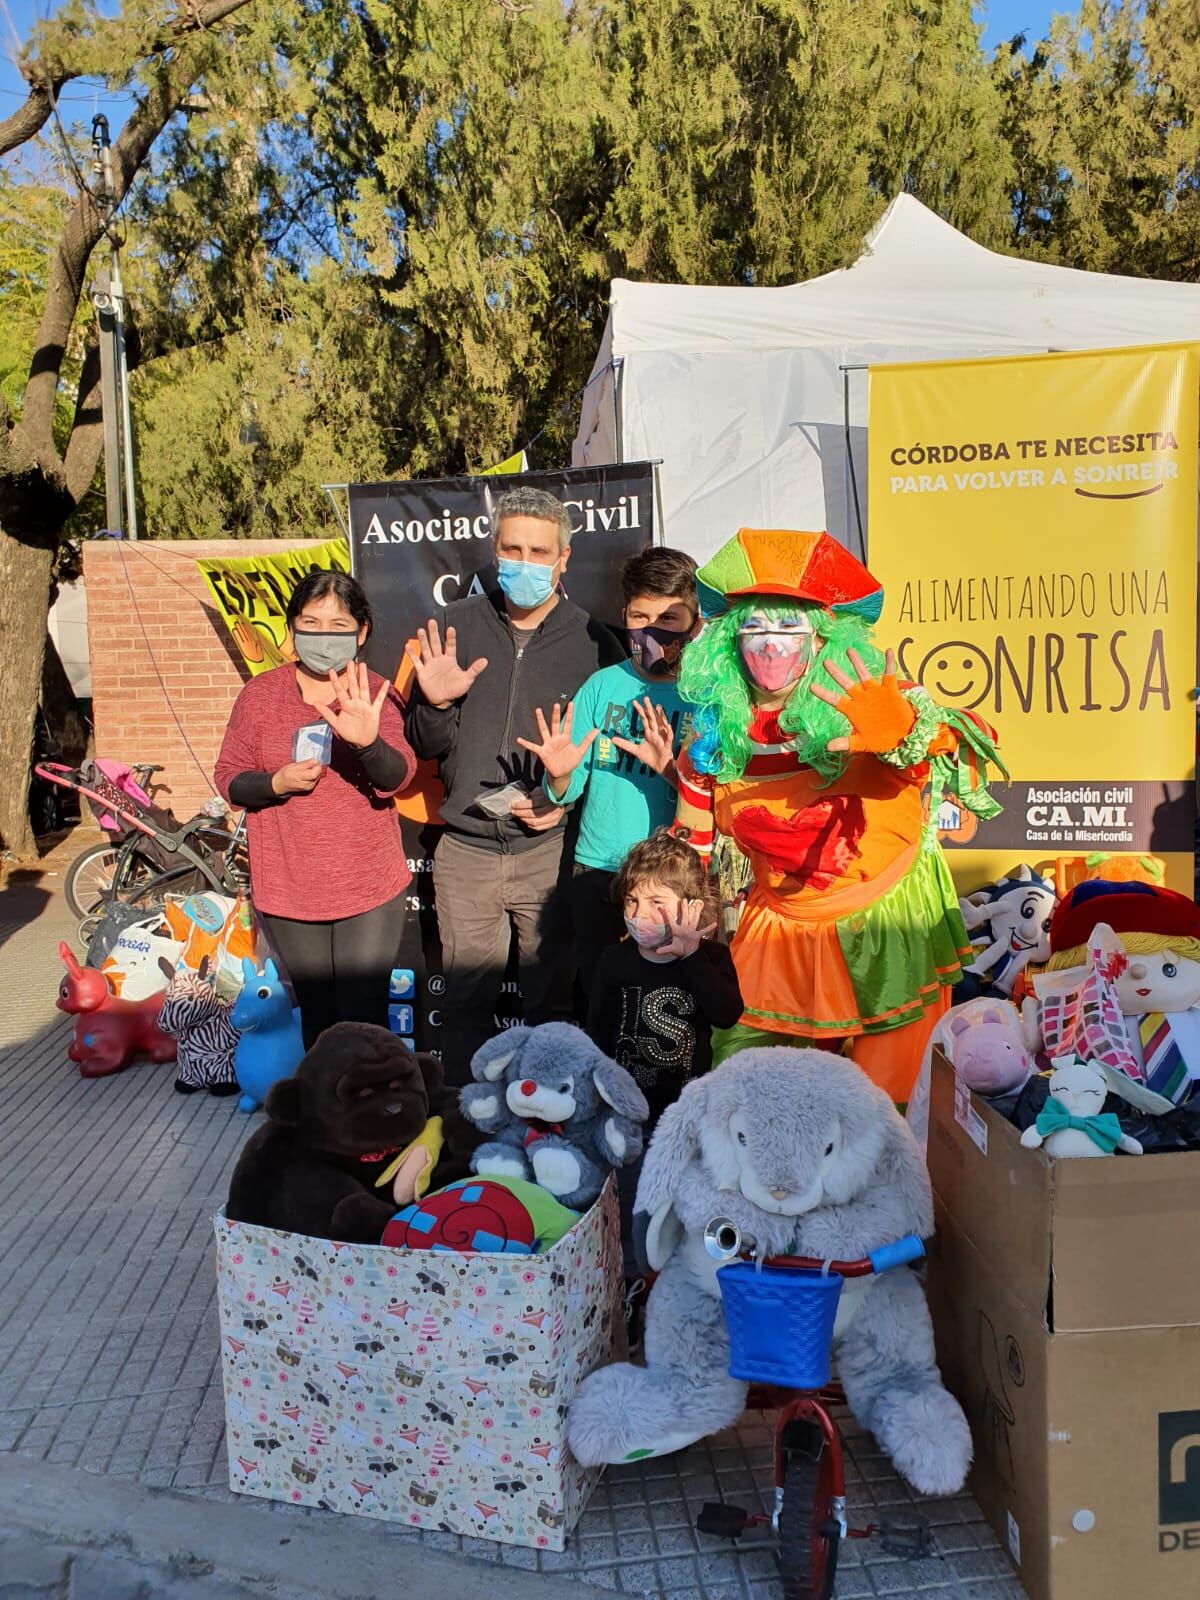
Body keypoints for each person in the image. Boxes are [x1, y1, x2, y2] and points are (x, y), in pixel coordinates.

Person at [671, 528, 1006, 1103]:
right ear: (728, 639)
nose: (770, 646)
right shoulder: (711, 731)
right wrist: (679, 914)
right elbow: (691, 845)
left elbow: (969, 745)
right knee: (748, 1087)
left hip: (884, 921)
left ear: (823, 635)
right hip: (779, 925)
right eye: (755, 626)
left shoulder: (869, 693)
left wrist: (905, 734)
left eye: (788, 626)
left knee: (884, 1103)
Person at [405, 486, 623, 1085]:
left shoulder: (595, 644)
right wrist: (433, 703)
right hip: (465, 853)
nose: (523, 562)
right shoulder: (452, 629)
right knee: (466, 1006)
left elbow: (602, 758)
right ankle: (466, 1132)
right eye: (512, 549)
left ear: (563, 560)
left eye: (538, 551)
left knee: (554, 1008)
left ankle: (555, 1133)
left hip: (547, 855)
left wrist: (563, 803)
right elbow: (423, 745)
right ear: (495, 551)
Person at [214, 570, 415, 1049]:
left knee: (364, 1018)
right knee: (320, 1020)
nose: (324, 636)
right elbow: (229, 777)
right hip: (289, 890)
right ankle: (325, 1119)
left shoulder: (377, 694)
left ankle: (370, 1119)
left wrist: (367, 745)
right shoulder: (260, 696)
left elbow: (398, 776)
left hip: (368, 889)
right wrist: (275, 783)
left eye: (338, 625)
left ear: (362, 632)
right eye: (310, 622)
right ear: (292, 628)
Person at [518, 547, 700, 995]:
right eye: (641, 616)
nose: (653, 629)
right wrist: (559, 776)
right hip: (600, 875)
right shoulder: (602, 686)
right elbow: (566, 790)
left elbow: (719, 803)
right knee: (602, 1001)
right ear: (625, 616)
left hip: (677, 879)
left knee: (671, 1005)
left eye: (669, 618)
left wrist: (669, 771)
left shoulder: (708, 696)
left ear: (696, 622)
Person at [586, 829, 742, 1290]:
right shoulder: (615, 961)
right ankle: (635, 1282)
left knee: (689, 1201)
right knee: (635, 1202)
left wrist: (691, 958)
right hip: (630, 1117)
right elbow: (598, 1034)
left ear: (689, 904)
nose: (639, 914)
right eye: (632, 902)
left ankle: (692, 1279)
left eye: (655, 902)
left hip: (688, 1118)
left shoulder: (710, 958)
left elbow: (727, 1013)